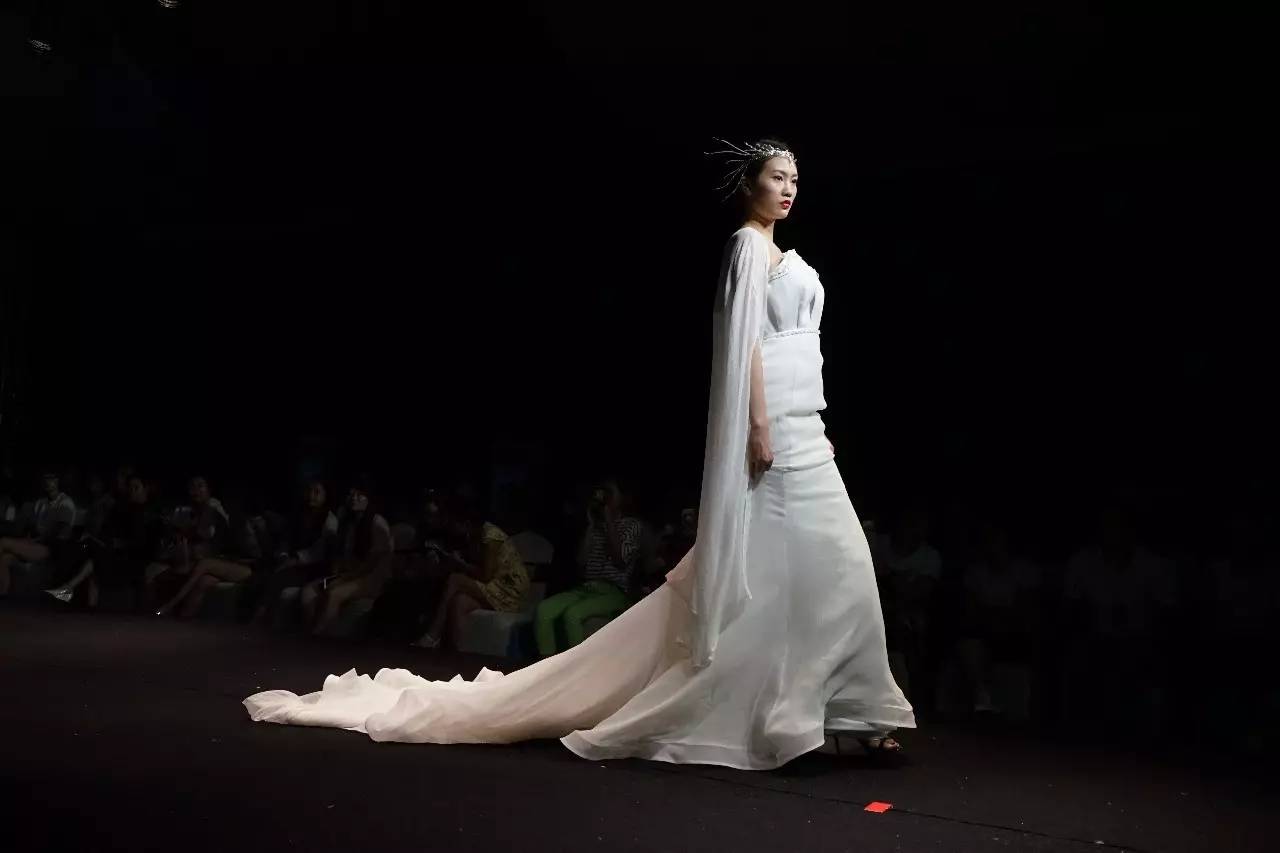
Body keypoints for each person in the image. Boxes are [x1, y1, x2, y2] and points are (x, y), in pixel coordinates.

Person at [245, 138, 915, 769]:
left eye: (795, 178)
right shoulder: (745, 247)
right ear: (749, 185)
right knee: (818, 569)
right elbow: (747, 350)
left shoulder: (781, 254)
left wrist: (814, 419)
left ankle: (839, 710)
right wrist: (761, 425)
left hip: (805, 428)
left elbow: (800, 350)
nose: (789, 188)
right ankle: (815, 714)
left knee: (831, 568)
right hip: (775, 433)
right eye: (777, 177)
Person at [534, 480, 641, 656]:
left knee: (573, 615)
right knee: (544, 610)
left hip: (613, 591)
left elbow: (620, 560)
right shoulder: (595, 526)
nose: (604, 498)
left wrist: (609, 521)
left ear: (622, 498)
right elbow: (581, 562)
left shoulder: (631, 525)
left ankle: (577, 667)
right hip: (586, 588)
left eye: (610, 494)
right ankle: (548, 666)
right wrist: (591, 526)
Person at [411, 494, 529, 650]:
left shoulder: (491, 535)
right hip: (492, 588)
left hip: (507, 590)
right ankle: (457, 652)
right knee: (459, 602)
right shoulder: (471, 537)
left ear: (466, 523)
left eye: (454, 523)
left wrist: (460, 564)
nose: (451, 527)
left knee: (455, 580)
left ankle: (432, 635)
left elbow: (486, 575)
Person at [299, 478, 393, 636]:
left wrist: (343, 578)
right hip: (349, 575)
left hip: (372, 578)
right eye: (351, 494)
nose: (354, 498)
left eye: (359, 495)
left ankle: (321, 638)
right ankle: (310, 632)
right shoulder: (349, 522)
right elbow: (342, 556)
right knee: (310, 590)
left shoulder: (377, 523)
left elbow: (371, 565)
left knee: (334, 592)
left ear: (369, 498)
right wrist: (337, 573)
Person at [247, 480, 340, 627]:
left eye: (317, 492)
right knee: (261, 575)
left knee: (278, 578)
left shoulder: (330, 520)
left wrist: (295, 560)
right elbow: (286, 538)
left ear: (326, 496)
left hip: (314, 567)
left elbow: (318, 552)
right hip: (292, 561)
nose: (311, 495)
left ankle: (259, 619)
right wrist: (283, 555)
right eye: (309, 491)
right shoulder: (300, 514)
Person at [0, 470, 77, 597]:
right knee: (5, 558)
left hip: (53, 548)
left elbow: (60, 534)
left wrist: (34, 540)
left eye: (51, 479)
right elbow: (30, 526)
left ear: (58, 481)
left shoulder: (65, 502)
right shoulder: (40, 503)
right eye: (46, 479)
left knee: (3, 542)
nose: (48, 482)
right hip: (37, 544)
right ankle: (3, 594)